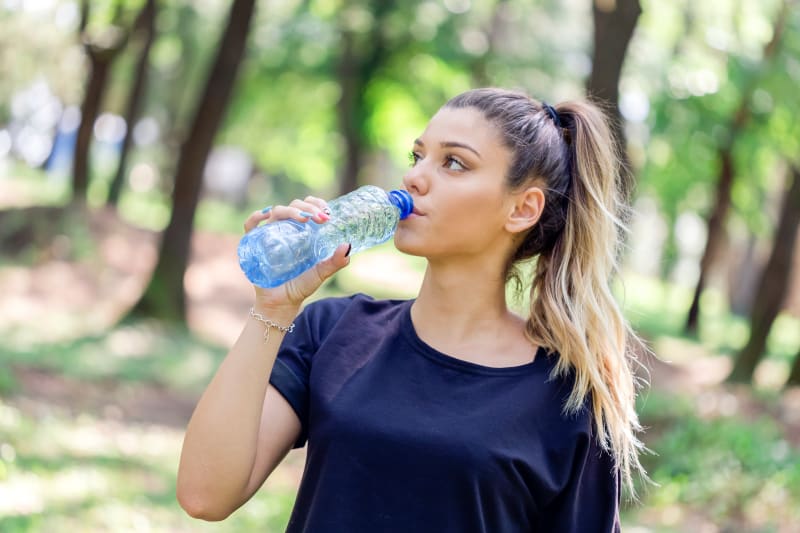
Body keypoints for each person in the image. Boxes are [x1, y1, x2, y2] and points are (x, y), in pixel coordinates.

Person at [176, 87, 648, 532]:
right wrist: (273, 308)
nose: (414, 177)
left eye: (455, 164)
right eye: (418, 155)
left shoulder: (568, 396)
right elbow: (205, 494)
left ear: (522, 209)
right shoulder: (334, 331)